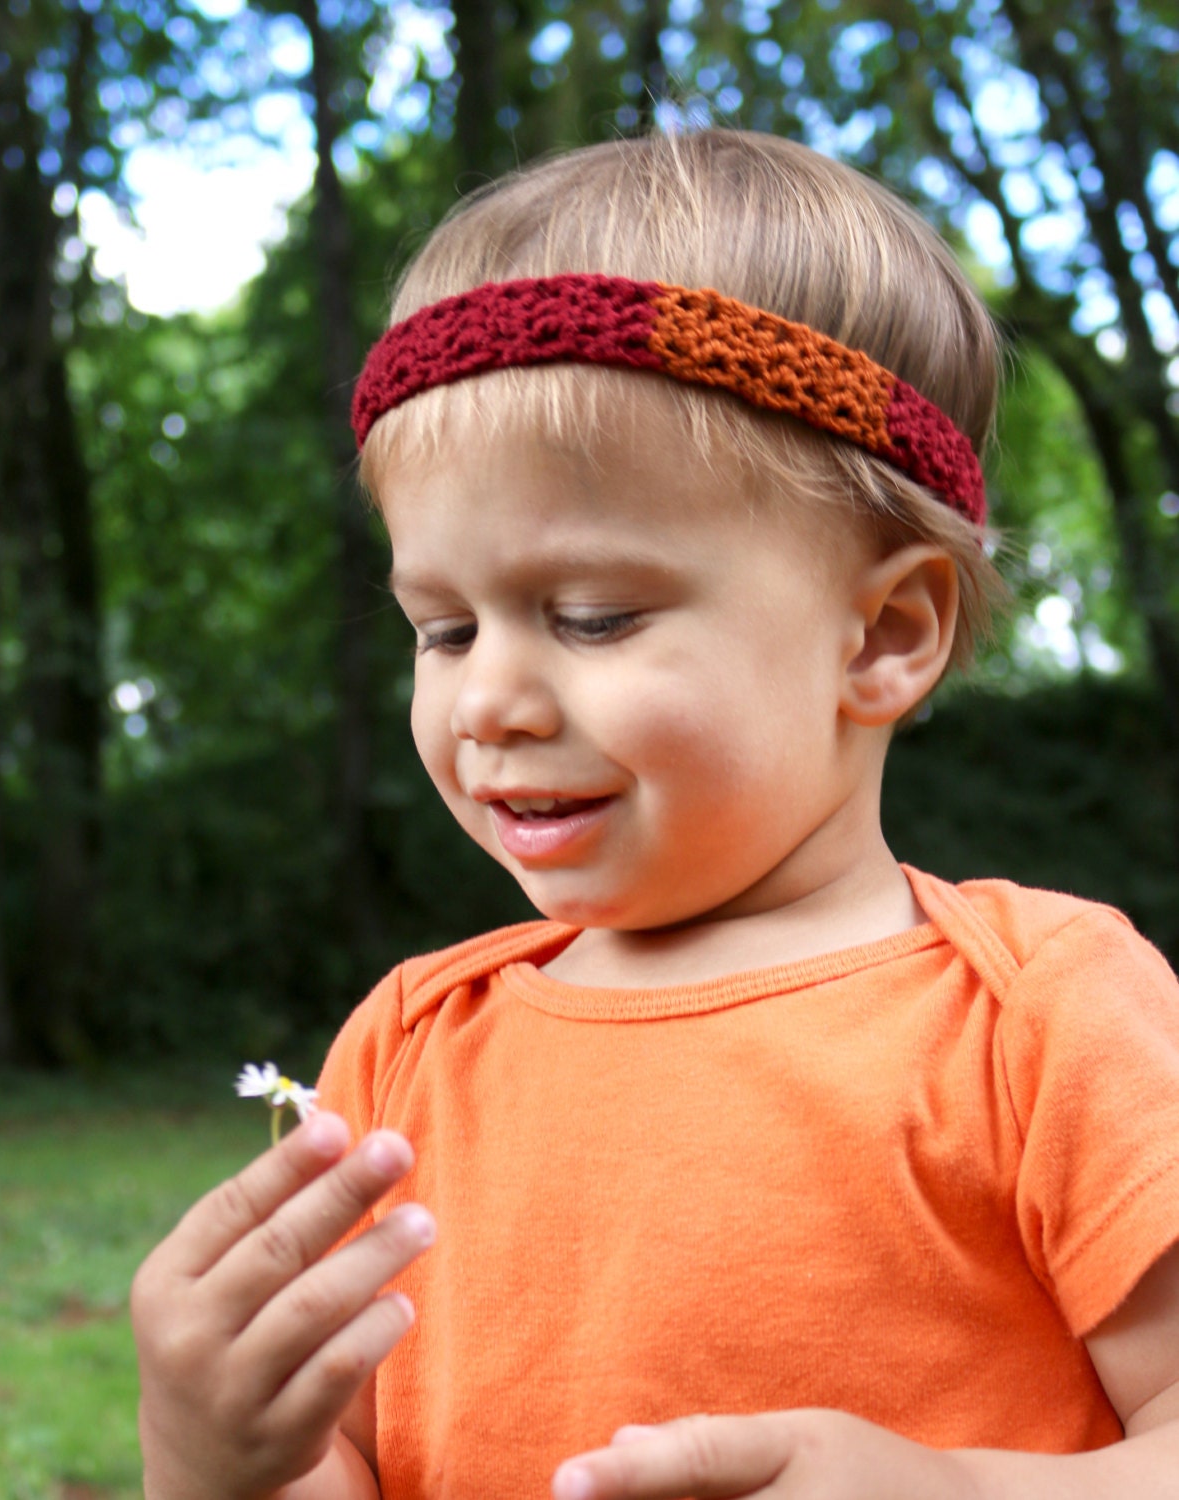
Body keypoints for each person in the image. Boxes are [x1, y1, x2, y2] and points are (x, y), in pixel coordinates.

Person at [130, 129, 1179, 1500]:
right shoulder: (405, 1055)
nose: (489, 699)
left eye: (593, 616)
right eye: (443, 630)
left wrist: (955, 1488)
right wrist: (216, 1462)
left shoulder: (1035, 1018)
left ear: (884, 634)